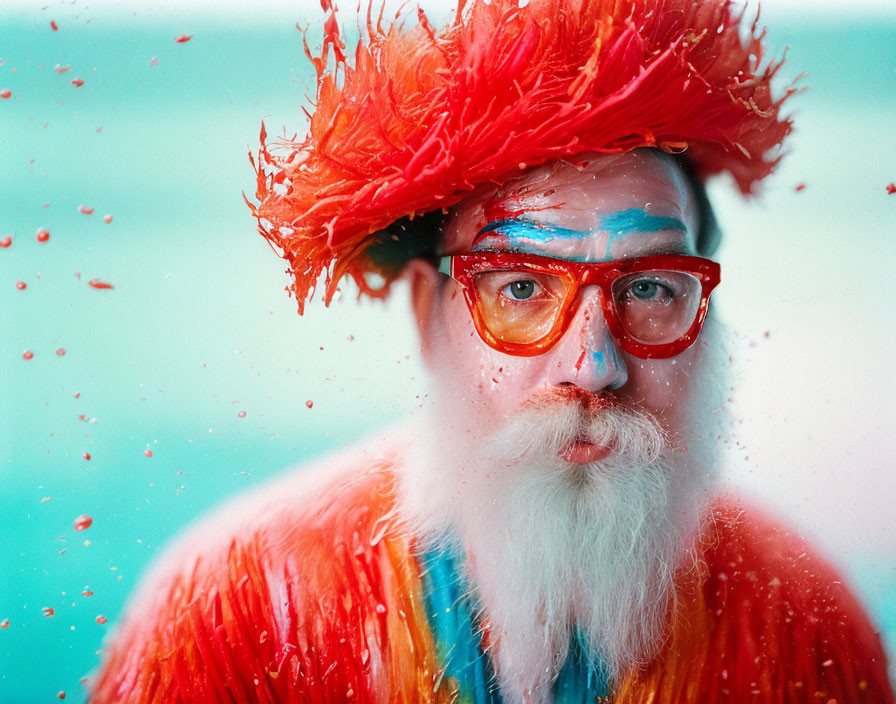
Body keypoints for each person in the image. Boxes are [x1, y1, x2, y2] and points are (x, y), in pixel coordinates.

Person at [91, 0, 894, 701]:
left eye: (649, 288)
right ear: (424, 315)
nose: (595, 366)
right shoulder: (236, 610)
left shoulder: (802, 623)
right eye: (519, 289)